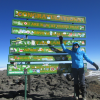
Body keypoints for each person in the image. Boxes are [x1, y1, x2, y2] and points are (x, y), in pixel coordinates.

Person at [59, 36, 99, 100]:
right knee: (76, 82)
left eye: (77, 45)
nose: (76, 46)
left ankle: (84, 96)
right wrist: (61, 41)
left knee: (82, 82)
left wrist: (94, 64)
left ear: (78, 46)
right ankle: (77, 95)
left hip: (81, 69)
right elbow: (64, 49)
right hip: (74, 69)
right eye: (74, 45)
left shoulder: (82, 52)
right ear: (73, 46)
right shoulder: (72, 52)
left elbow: (87, 59)